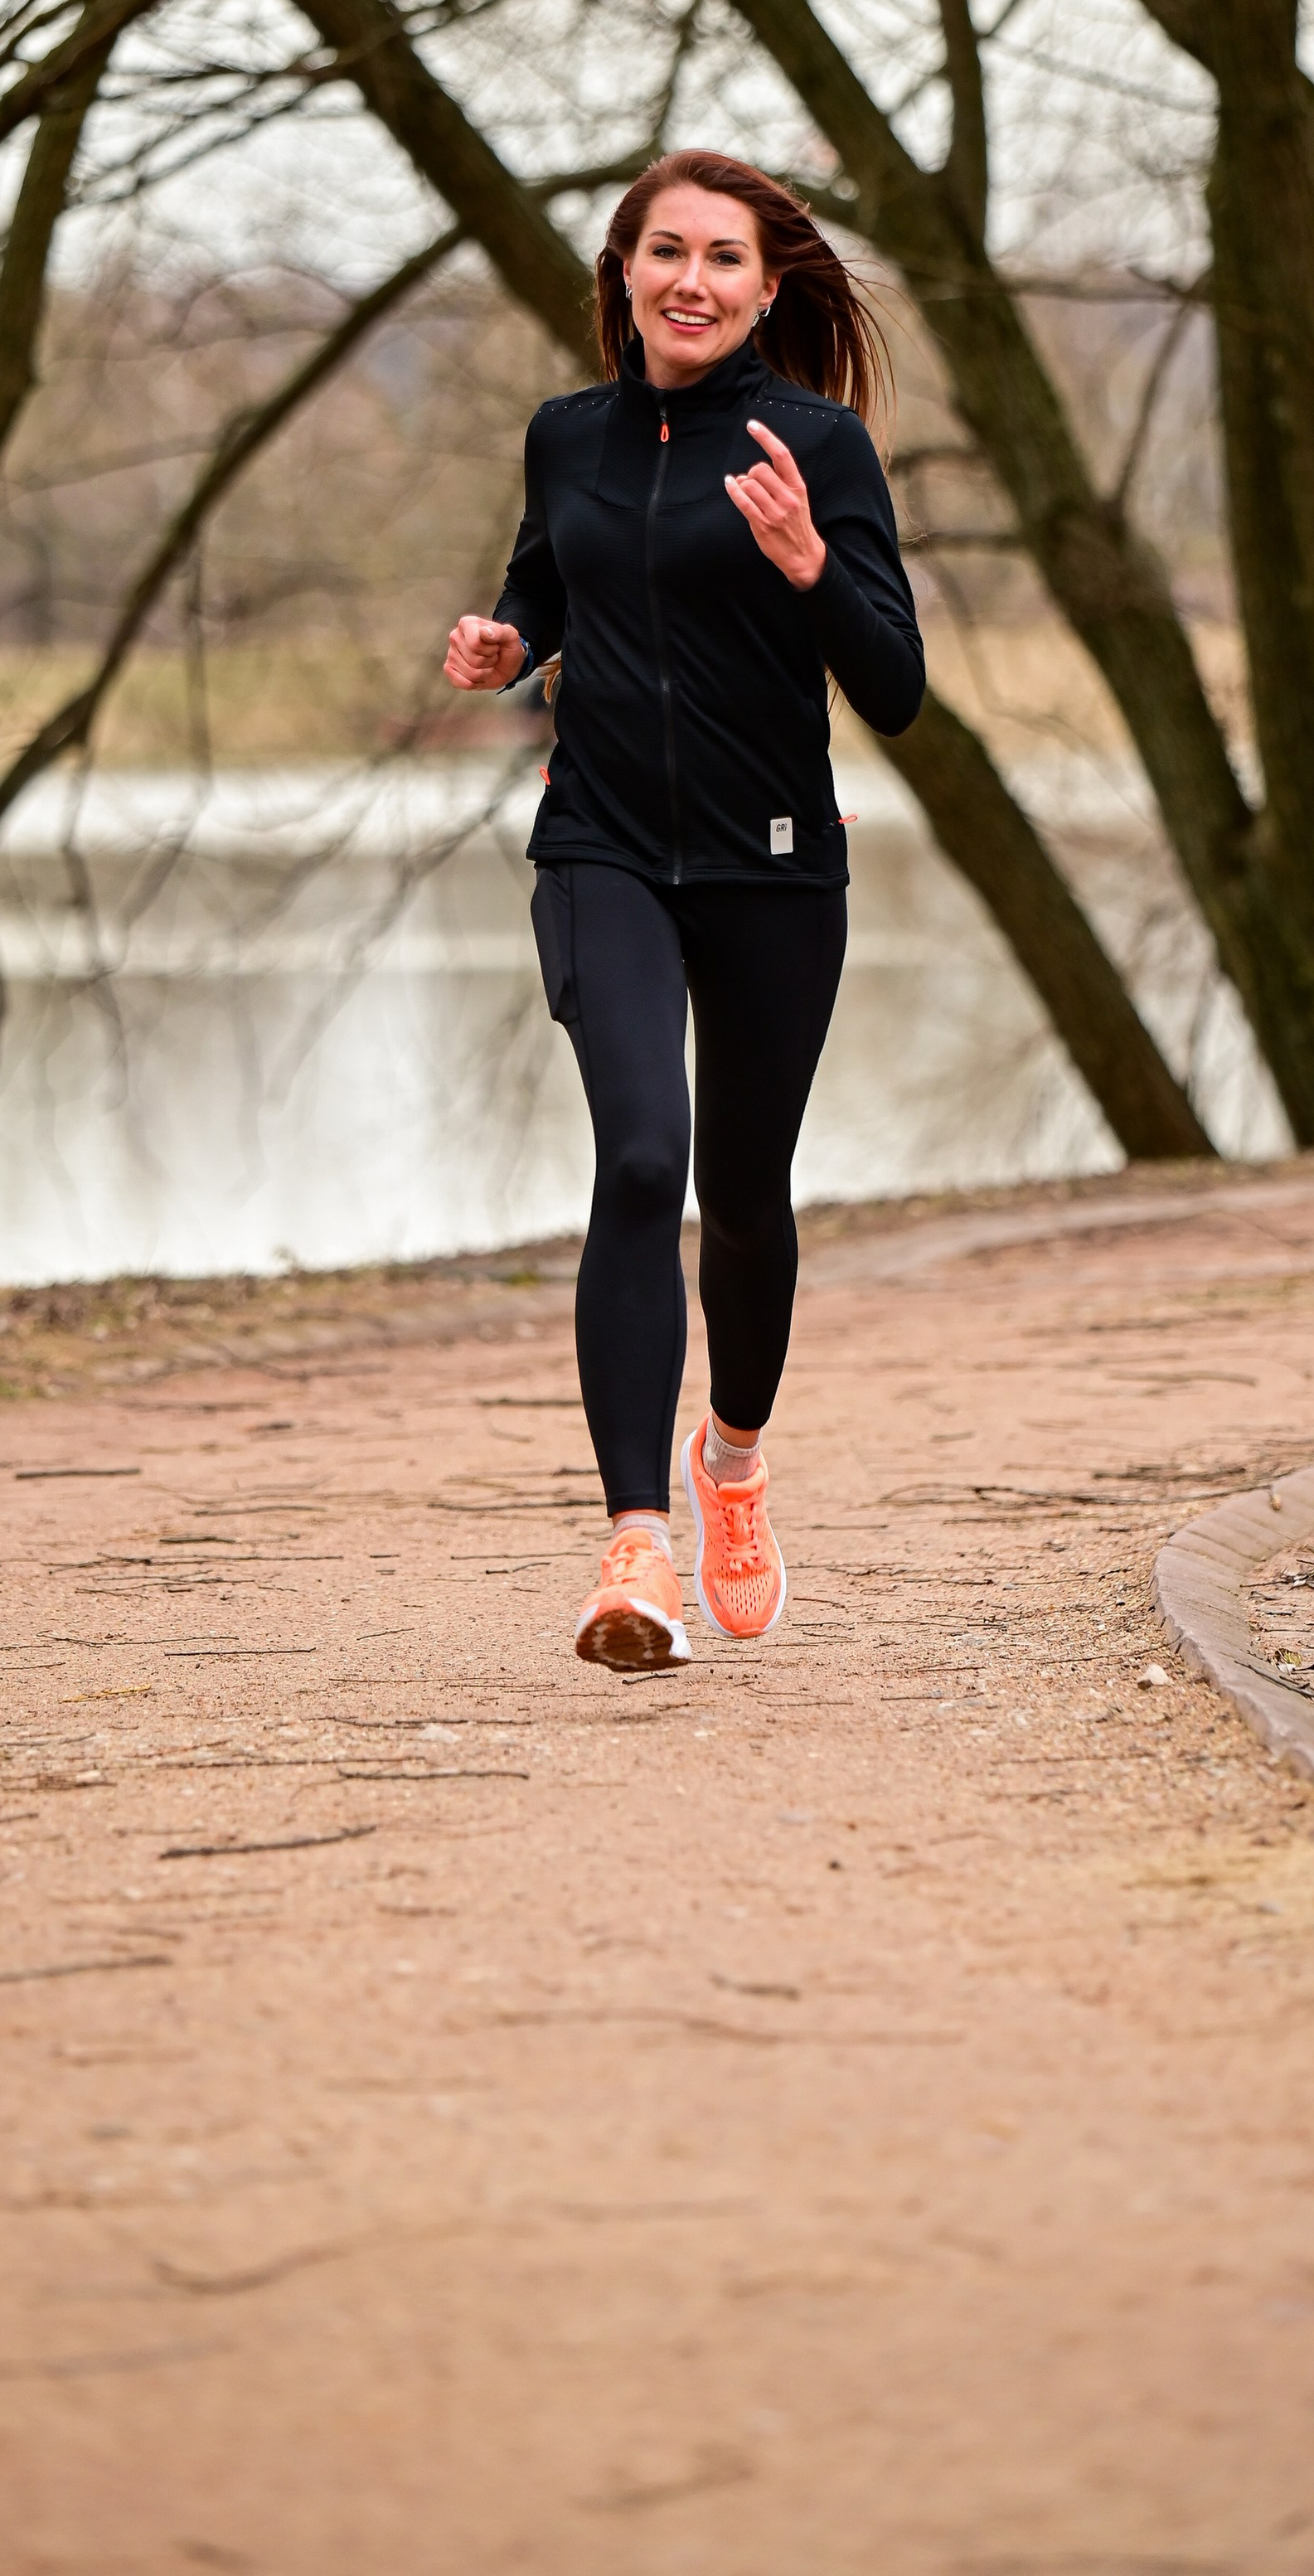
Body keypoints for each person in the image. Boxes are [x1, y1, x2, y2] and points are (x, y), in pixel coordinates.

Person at [444, 150, 925, 1671]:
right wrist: (505, 642)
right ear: (626, 271)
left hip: (775, 862)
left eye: (724, 258)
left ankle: (732, 1456)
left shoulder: (817, 446)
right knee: (644, 1155)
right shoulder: (566, 438)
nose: (692, 281)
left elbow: (898, 689)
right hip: (602, 849)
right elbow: (550, 595)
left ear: (766, 287)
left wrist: (806, 566)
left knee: (748, 1194)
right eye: (667, 252)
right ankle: (634, 1543)